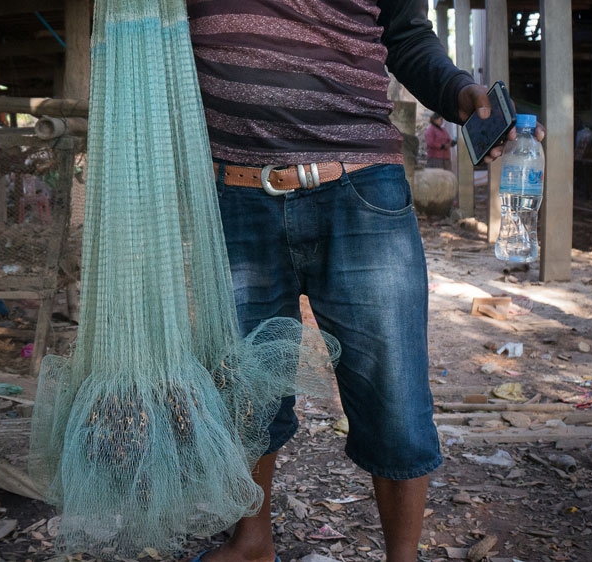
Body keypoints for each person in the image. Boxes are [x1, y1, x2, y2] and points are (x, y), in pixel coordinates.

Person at [186, 2, 544, 561]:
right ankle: (251, 541)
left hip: (359, 192)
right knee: (242, 388)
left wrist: (458, 92)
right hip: (233, 191)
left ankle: (402, 558)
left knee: (393, 393)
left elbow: (403, 37)